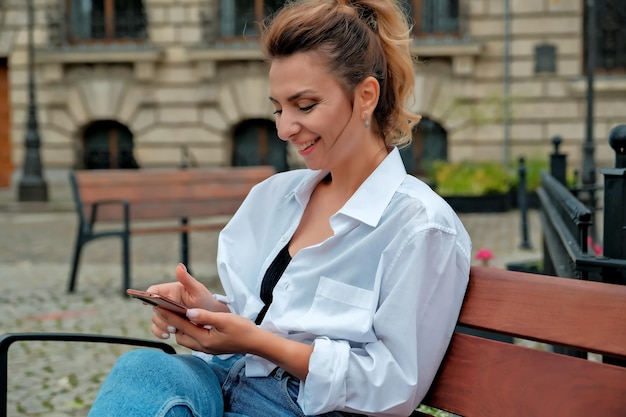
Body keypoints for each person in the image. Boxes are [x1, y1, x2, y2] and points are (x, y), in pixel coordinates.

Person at [87, 1, 471, 416]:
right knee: (143, 367)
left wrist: (254, 342)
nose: (285, 128)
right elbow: (263, 316)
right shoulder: (275, 197)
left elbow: (393, 387)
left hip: (304, 405)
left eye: (304, 106)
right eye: (277, 108)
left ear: (366, 96)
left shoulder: (420, 227)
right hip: (225, 374)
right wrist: (206, 311)